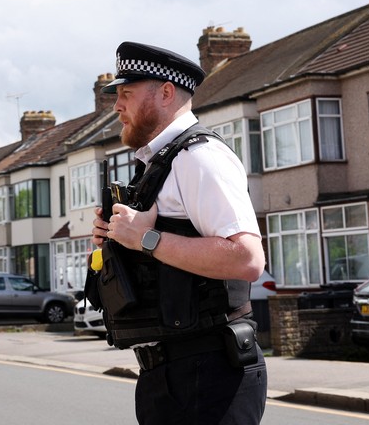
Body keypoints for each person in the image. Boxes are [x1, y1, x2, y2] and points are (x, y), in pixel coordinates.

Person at [91, 41, 267, 425]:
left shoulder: (200, 157)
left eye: (126, 94)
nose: (117, 106)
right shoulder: (160, 162)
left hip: (210, 372)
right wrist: (119, 241)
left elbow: (248, 260)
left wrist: (146, 240)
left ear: (166, 92)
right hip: (169, 373)